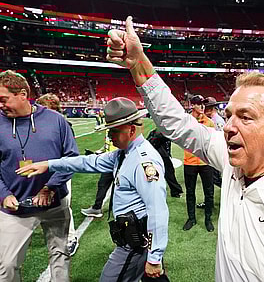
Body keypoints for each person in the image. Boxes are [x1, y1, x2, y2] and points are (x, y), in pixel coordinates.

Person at [105, 17, 264, 281]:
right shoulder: (234, 163)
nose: (228, 127)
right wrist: (139, 64)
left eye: (246, 117)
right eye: (229, 115)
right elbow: (177, 123)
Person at [17, 97, 170, 281]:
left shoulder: (143, 161)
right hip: (131, 239)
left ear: (131, 129)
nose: (110, 136)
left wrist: (155, 257)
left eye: (114, 131)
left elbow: (158, 210)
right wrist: (49, 164)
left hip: (135, 244)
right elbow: (88, 162)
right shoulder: (125, 153)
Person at [0, 70, 79, 282]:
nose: (0, 105)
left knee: (60, 259)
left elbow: (72, 157)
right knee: (6, 266)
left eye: (3, 99)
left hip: (54, 204)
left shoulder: (56, 120)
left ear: (23, 94)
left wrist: (51, 186)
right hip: (15, 207)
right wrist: (3, 194)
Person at [36, 93, 79, 255]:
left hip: (60, 171)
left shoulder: (63, 125)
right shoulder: (35, 125)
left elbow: (70, 155)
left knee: (63, 204)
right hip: (42, 172)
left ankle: (70, 238)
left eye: (46, 109)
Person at [181, 94, 215, 232]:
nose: (201, 106)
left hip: (206, 162)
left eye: (203, 104)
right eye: (198, 103)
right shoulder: (187, 122)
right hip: (189, 162)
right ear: (192, 105)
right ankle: (191, 218)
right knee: (190, 192)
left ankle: (208, 219)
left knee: (209, 192)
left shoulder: (210, 122)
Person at [80, 129, 116, 218]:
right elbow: (107, 145)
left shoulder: (115, 129)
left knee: (104, 185)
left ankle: (97, 208)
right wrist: (99, 152)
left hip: (114, 162)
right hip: (112, 161)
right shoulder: (110, 129)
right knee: (107, 185)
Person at [146, 128, 184, 198]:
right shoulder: (160, 133)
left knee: (165, 172)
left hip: (159, 155)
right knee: (167, 172)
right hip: (159, 155)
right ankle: (175, 191)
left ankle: (175, 190)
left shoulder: (157, 132)